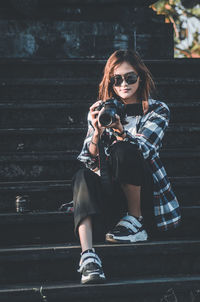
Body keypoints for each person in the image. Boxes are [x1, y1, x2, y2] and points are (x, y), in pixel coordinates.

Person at [72, 49, 181, 285]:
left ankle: (136, 220)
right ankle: (88, 256)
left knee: (125, 148)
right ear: (110, 82)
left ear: (140, 78)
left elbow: (143, 150)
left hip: (145, 196)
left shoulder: (156, 109)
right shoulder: (101, 110)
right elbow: (89, 160)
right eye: (117, 79)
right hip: (112, 194)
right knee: (83, 175)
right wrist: (97, 132)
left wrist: (121, 131)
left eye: (130, 78)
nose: (124, 84)